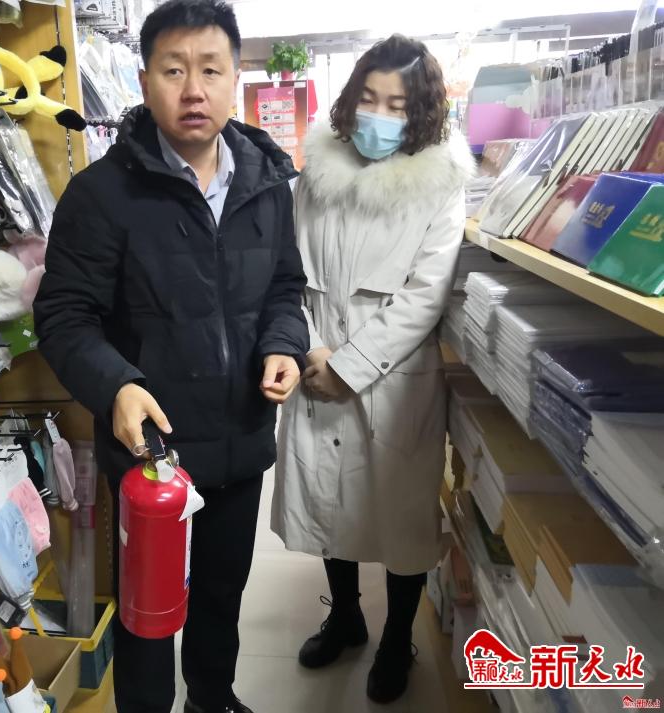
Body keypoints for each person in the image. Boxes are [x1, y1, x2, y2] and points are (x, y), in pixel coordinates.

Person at [33, 1, 309, 710]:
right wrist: (116, 386)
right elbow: (63, 315)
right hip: (151, 453)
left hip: (240, 439)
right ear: (144, 80)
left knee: (222, 591)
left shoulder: (266, 184)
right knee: (148, 613)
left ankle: (212, 697)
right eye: (174, 70)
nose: (194, 90)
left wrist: (283, 343)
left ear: (235, 78)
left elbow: (285, 286)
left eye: (211, 70)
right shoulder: (102, 195)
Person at [271, 35, 475, 704]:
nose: (379, 115)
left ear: (420, 112)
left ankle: (397, 639)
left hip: (393, 377)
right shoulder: (316, 175)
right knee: (332, 505)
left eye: (396, 104)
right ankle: (346, 616)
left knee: (400, 516)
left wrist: (352, 366)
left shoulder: (441, 183)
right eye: (369, 98)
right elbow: (289, 271)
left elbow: (425, 294)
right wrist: (312, 352)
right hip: (316, 357)